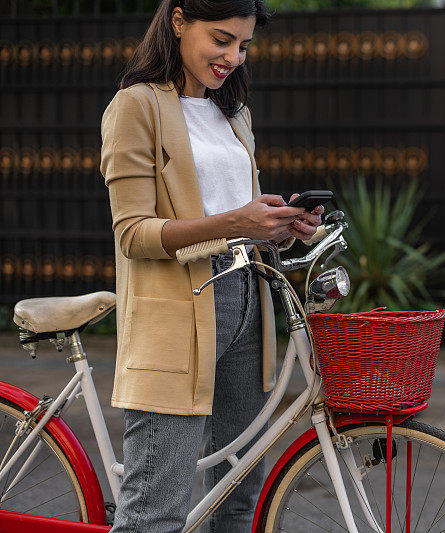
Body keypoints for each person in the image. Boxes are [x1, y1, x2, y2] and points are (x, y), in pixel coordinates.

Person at [99, 1, 323, 531]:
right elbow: (133, 233)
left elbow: (234, 215)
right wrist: (233, 222)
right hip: (180, 312)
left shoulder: (233, 113)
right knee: (156, 513)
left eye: (243, 46)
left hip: (248, 300)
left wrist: (280, 224)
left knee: (239, 499)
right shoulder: (136, 106)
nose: (233, 57)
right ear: (178, 22)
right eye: (221, 40)